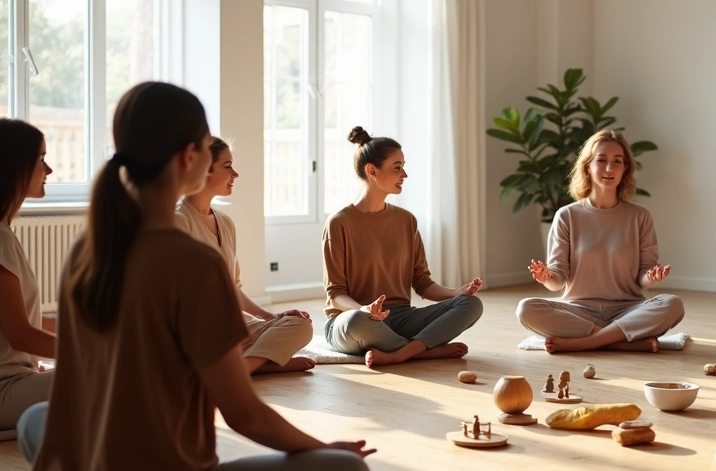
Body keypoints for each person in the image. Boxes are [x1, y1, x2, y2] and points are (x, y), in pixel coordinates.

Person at [19, 82, 373, 471]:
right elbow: (243, 413)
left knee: (36, 420)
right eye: (210, 149)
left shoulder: (87, 249)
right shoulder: (191, 261)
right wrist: (322, 448)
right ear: (189, 157)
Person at [322, 127, 483, 367]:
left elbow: (422, 283)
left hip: (400, 317)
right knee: (356, 321)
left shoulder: (406, 220)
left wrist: (456, 294)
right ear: (372, 171)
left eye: (403, 166)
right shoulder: (339, 222)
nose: (404, 174)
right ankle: (422, 349)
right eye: (397, 167)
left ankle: (400, 352)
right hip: (352, 320)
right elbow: (335, 294)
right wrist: (365, 310)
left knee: (471, 305)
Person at [516, 129, 684, 353]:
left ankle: (588, 341)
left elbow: (642, 279)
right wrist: (547, 276)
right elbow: (558, 280)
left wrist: (651, 276)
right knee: (526, 309)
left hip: (628, 308)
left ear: (625, 168)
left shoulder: (640, 216)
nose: (609, 168)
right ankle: (620, 340)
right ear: (587, 166)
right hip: (579, 310)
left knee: (672, 305)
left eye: (617, 161)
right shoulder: (566, 216)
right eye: (601, 160)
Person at [177, 137, 315, 374]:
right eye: (228, 166)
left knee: (301, 325)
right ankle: (256, 363)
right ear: (205, 170)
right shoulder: (179, 221)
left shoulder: (226, 223)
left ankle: (250, 365)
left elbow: (233, 287)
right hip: (198, 329)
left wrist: (271, 316)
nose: (236, 174)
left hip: (231, 326)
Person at [0, 118, 55, 438]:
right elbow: (21, 335)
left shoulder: (6, 233)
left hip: (16, 378)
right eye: (40, 160)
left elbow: (27, 321)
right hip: (6, 388)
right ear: (14, 167)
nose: (48, 170)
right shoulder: (1, 238)